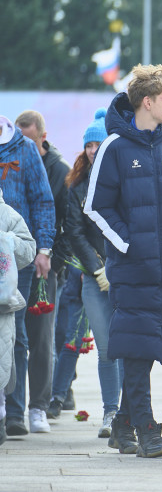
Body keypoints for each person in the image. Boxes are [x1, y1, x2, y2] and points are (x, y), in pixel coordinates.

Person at [84, 63, 162, 458]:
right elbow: (95, 207)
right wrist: (128, 245)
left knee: (145, 349)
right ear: (147, 102)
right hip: (130, 270)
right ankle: (146, 428)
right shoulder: (114, 147)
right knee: (133, 347)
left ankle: (122, 424)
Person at [52, 108, 124, 438]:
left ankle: (128, 410)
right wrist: (97, 268)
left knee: (130, 346)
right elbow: (73, 231)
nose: (94, 150)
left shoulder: (124, 179)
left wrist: (117, 266)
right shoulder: (77, 186)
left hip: (125, 272)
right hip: (93, 277)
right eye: (90, 145)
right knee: (107, 347)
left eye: (100, 144)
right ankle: (110, 412)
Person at [0, 115, 55, 438]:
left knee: (15, 333)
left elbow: (42, 200)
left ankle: (15, 409)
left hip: (14, 258)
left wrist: (43, 248)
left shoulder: (24, 149)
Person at [0, 187, 37, 446]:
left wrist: (10, 242)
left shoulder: (7, 214)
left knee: (2, 360)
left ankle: (1, 415)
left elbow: (29, 248)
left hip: (1, 304)